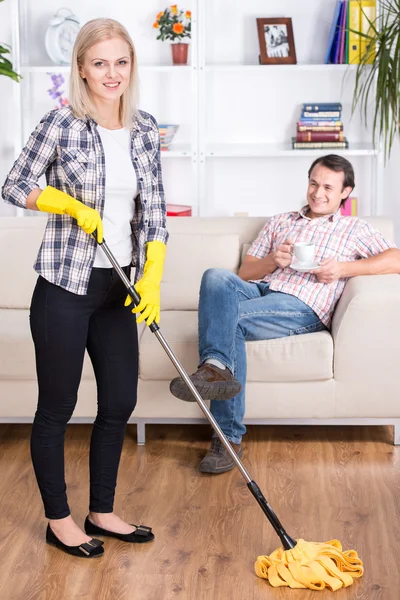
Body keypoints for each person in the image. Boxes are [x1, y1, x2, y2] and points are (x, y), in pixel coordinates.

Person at [2, 18, 168, 557]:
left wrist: (154, 275)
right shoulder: (61, 123)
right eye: (100, 63)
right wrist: (67, 203)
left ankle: (102, 511)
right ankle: (59, 520)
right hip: (66, 285)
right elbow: (15, 184)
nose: (111, 73)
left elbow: (156, 212)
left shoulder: (144, 128)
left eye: (121, 62)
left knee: (119, 399)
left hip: (120, 285)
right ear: (81, 68)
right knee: (58, 404)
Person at [169, 154, 400, 474]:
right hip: (264, 290)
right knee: (215, 276)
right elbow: (245, 272)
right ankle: (215, 367)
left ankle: (227, 435)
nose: (318, 193)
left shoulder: (353, 228)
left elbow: (396, 258)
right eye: (314, 183)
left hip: (304, 305)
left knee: (229, 321)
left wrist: (343, 269)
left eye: (328, 188)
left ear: (345, 193)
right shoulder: (280, 221)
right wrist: (273, 262)